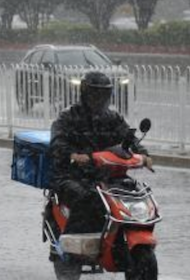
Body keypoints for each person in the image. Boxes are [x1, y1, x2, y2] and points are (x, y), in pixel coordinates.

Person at [48, 71, 151, 234]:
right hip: (73, 174)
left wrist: (144, 155)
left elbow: (129, 139)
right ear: (85, 93)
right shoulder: (68, 117)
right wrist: (73, 155)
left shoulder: (113, 118)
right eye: (95, 94)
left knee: (134, 192)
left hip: (107, 174)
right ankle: (74, 241)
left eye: (104, 94)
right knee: (87, 198)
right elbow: (57, 142)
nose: (99, 99)